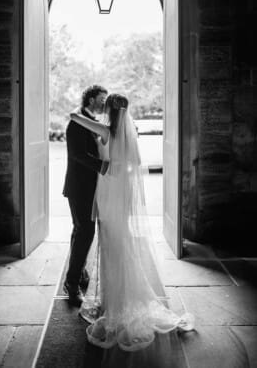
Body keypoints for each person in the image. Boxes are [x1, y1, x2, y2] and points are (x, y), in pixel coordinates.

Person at [68, 93, 195, 352]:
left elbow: (72, 116)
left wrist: (88, 120)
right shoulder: (129, 133)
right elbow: (135, 164)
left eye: (106, 105)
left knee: (110, 245)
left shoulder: (104, 129)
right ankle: (122, 296)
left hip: (107, 193)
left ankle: (114, 303)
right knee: (121, 242)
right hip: (122, 194)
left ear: (110, 110)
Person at [63, 85, 109, 306]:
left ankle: (78, 271)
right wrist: (104, 166)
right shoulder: (77, 122)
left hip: (90, 187)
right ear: (91, 100)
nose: (104, 103)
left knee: (79, 230)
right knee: (86, 232)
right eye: (102, 99)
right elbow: (77, 154)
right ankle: (71, 284)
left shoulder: (90, 121)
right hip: (80, 187)